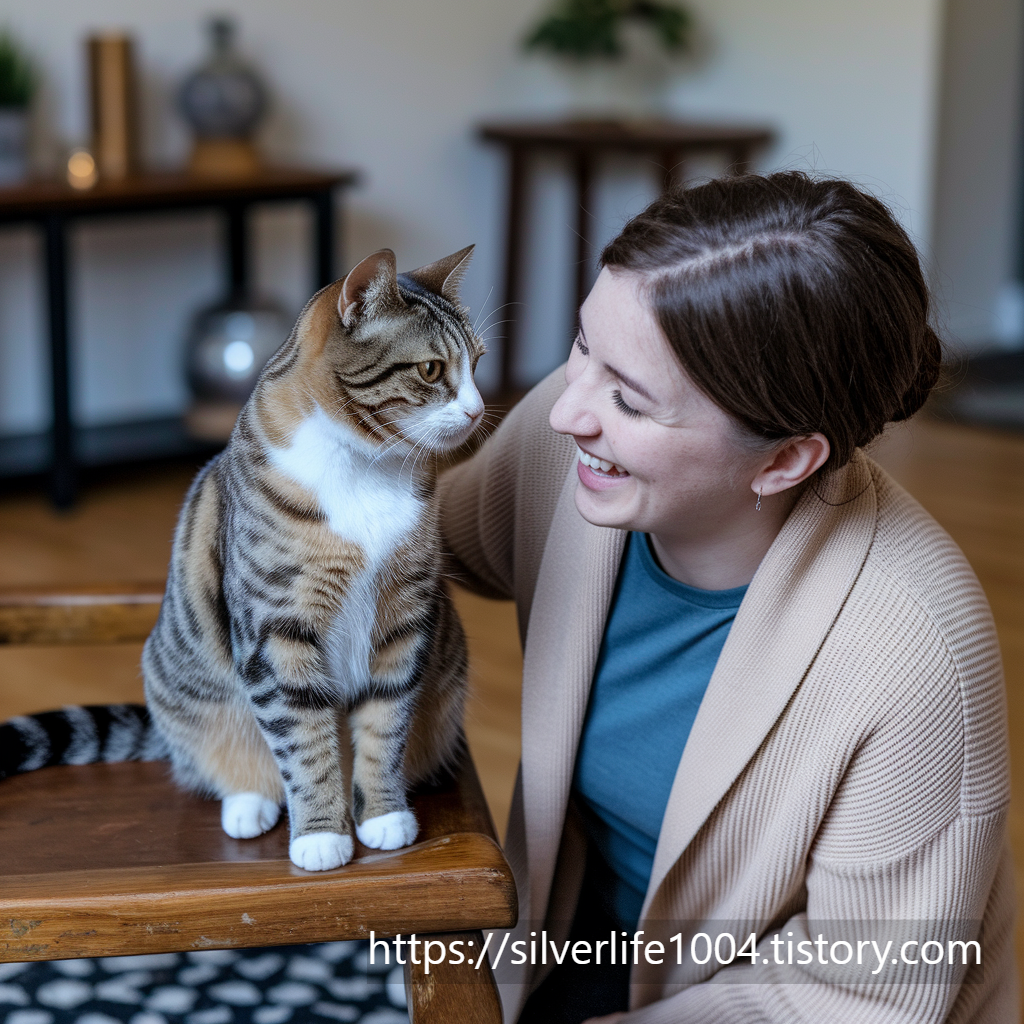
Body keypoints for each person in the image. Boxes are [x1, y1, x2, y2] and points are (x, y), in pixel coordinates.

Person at [439, 172, 1016, 1023]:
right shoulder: (572, 445)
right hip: (576, 931)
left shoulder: (914, 654)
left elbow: (866, 993)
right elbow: (419, 553)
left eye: (630, 400)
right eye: (582, 344)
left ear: (784, 461)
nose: (568, 411)